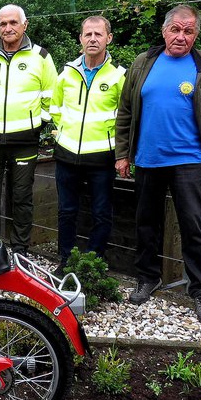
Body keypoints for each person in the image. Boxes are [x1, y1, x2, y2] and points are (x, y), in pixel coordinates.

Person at [114, 4, 201, 324]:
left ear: (195, 34)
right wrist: (123, 153)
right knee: (146, 222)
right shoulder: (143, 63)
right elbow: (125, 112)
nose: (181, 37)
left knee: (194, 225)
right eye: (175, 30)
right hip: (149, 159)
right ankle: (147, 277)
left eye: (189, 31)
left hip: (190, 160)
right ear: (165, 30)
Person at [0, 4, 57, 255]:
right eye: (3, 23)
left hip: (25, 142)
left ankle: (20, 251)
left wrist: (35, 124)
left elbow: (52, 98)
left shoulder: (41, 57)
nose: (7, 28)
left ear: (24, 25)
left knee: (21, 198)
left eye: (13, 23)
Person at [49, 15, 125, 273]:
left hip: (102, 157)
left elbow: (125, 117)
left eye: (98, 34)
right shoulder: (67, 73)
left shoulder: (118, 77)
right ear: (80, 39)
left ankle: (93, 261)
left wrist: (117, 149)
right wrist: (62, 134)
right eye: (88, 35)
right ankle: (65, 260)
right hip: (67, 155)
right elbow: (55, 107)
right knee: (66, 211)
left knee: (101, 212)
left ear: (108, 38)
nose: (93, 39)